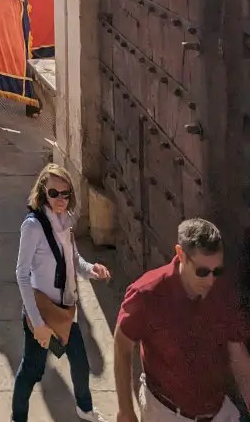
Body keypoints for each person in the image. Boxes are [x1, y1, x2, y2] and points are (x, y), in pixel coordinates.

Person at [114, 217, 250, 422]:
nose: (211, 280)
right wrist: (125, 410)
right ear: (181, 255)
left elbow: (236, 351)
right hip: (167, 412)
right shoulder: (147, 293)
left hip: (218, 411)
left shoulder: (222, 290)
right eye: (202, 272)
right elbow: (122, 343)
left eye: (217, 271)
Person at [13, 163, 111, 422]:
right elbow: (22, 274)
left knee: (80, 364)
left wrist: (93, 270)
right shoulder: (33, 226)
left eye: (65, 194)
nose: (60, 199)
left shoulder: (66, 223)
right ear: (43, 191)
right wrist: (37, 324)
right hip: (43, 312)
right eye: (54, 193)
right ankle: (18, 417)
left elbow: (74, 261)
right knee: (32, 371)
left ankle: (84, 408)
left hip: (66, 311)